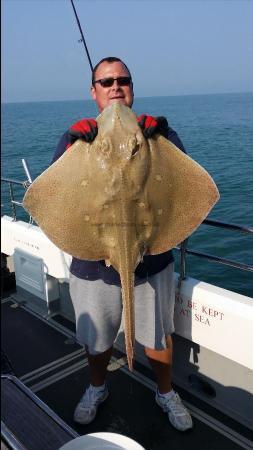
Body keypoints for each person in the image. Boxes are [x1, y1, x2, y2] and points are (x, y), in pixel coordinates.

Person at [52, 57, 193, 432]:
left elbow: (185, 184)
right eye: (106, 81)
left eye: (123, 80)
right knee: (96, 339)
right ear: (94, 92)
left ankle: (165, 392)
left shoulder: (156, 135)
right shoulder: (76, 139)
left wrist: (161, 139)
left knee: (158, 334)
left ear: (132, 88)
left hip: (151, 255)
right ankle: (97, 387)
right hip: (93, 261)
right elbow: (56, 195)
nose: (116, 86)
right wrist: (72, 146)